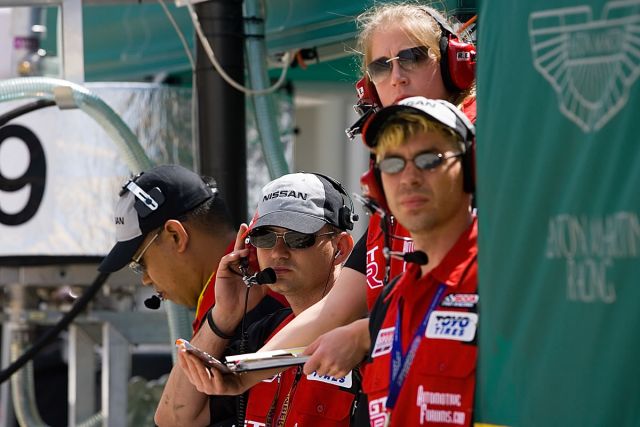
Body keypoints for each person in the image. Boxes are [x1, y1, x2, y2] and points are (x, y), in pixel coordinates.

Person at [258, 1, 478, 377]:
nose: (398, 76)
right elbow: (335, 310)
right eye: (381, 65)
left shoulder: (490, 148)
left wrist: (367, 333)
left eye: (412, 57)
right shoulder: (386, 194)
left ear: (455, 63)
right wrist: (240, 371)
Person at [98, 164, 286, 426]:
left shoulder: (256, 292)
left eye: (139, 262)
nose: (145, 278)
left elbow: (174, 419)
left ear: (175, 236)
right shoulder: (242, 287)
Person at [177, 172, 359, 426]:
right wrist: (224, 314)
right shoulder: (261, 335)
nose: (278, 252)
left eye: (298, 237)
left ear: (340, 249)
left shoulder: (365, 339)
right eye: (265, 237)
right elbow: (175, 417)